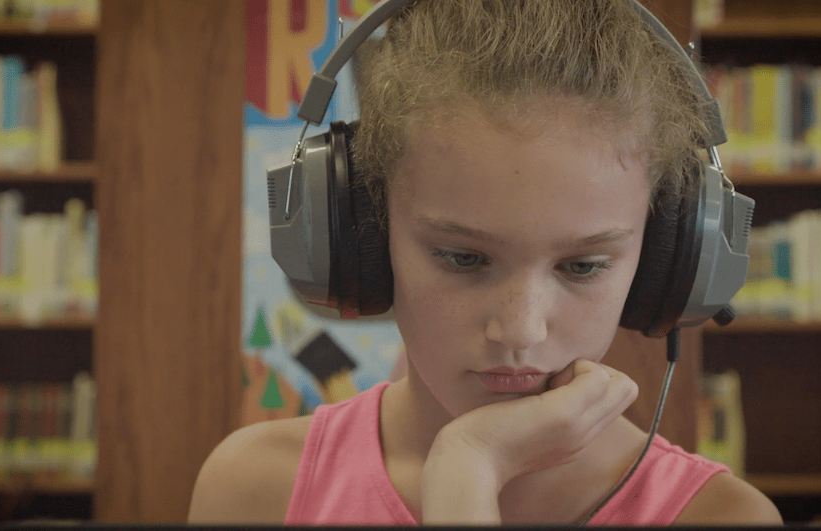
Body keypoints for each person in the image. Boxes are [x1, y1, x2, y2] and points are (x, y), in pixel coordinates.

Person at [188, 0, 782, 525]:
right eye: (463, 257)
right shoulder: (255, 491)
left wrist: (468, 472)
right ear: (362, 233)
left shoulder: (721, 516)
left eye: (582, 267)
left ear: (665, 258)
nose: (521, 330)